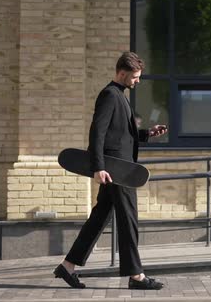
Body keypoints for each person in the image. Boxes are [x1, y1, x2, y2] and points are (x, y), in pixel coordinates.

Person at [54, 52, 167, 290]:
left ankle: (68, 266)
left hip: (119, 168)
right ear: (122, 73)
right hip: (116, 170)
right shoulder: (109, 95)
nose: (137, 81)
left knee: (99, 218)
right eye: (135, 77)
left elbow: (121, 135)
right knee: (128, 220)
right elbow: (98, 133)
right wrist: (98, 167)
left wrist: (147, 133)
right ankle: (136, 276)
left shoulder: (120, 96)